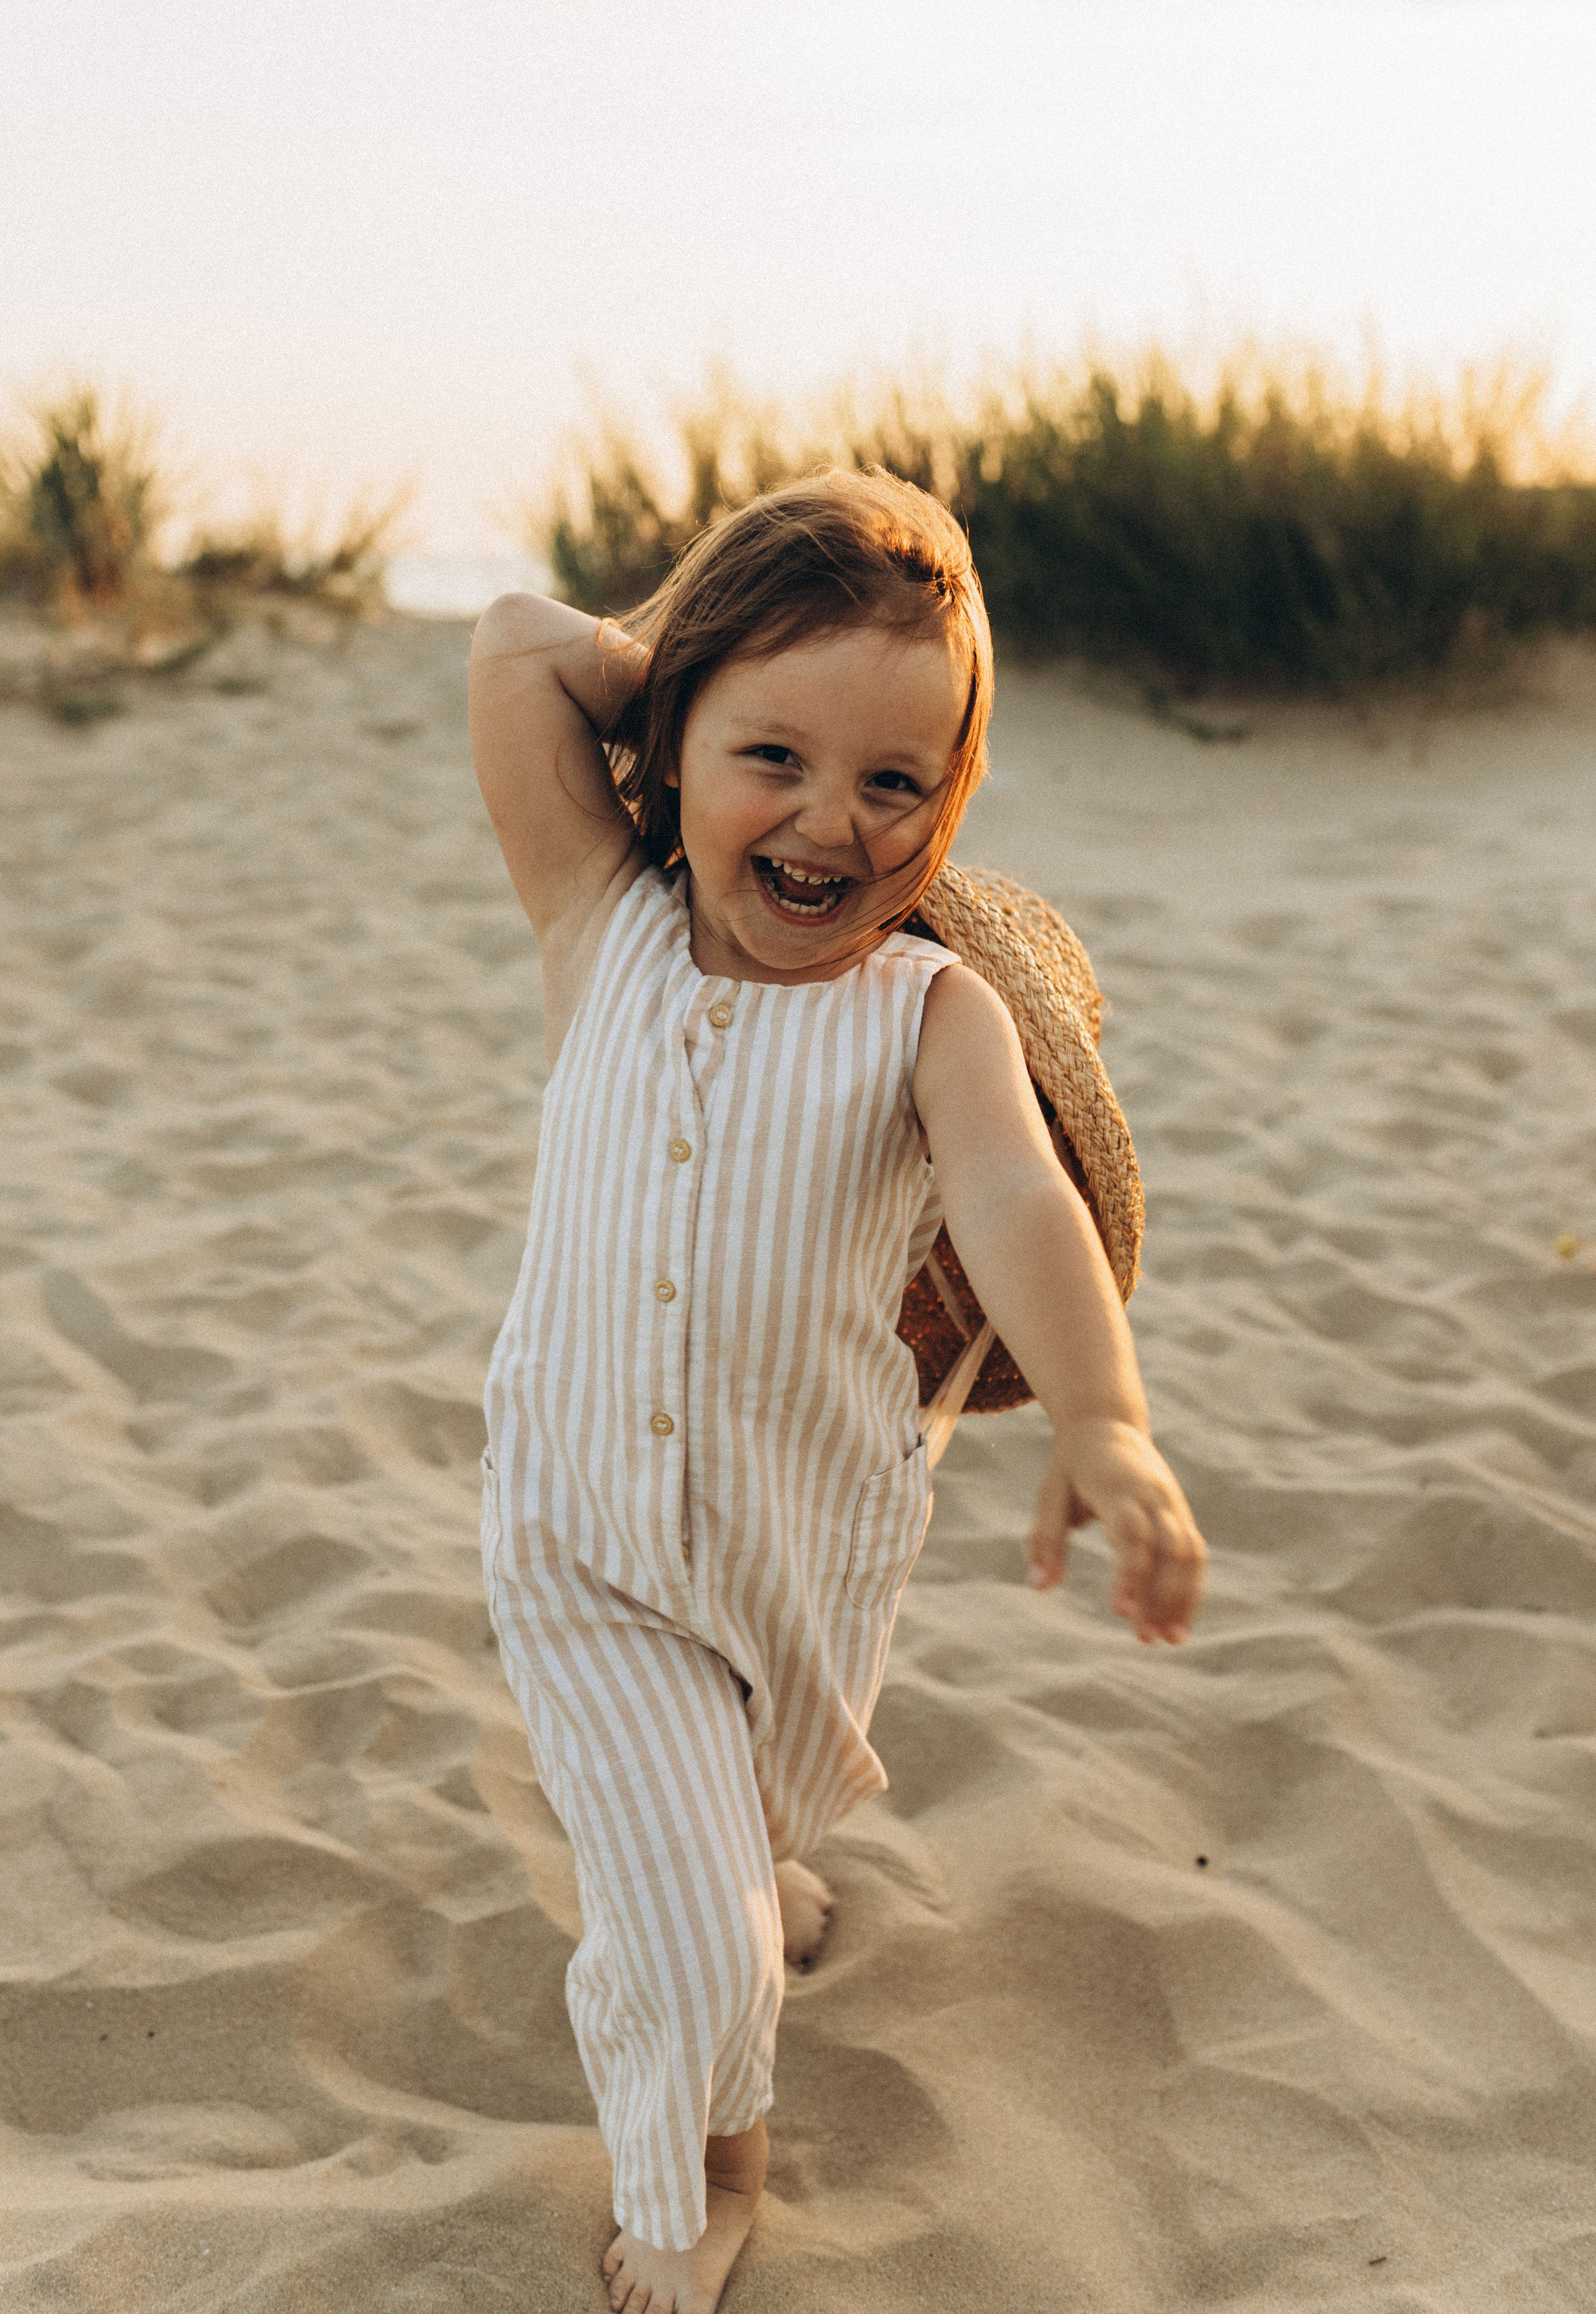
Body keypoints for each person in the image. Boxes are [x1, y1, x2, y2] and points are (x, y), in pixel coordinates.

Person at [468, 471, 1206, 2314]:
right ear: (674, 748)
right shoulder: (601, 924)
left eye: (894, 780)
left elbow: (1019, 1198)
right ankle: (710, 2172)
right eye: (773, 757)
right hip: (584, 1538)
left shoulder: (931, 1016)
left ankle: (755, 1865)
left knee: (759, 1806)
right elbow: (515, 648)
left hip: (802, 1538)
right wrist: (680, 663)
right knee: (694, 1935)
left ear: (950, 804)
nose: (826, 818)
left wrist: (1104, 1419)